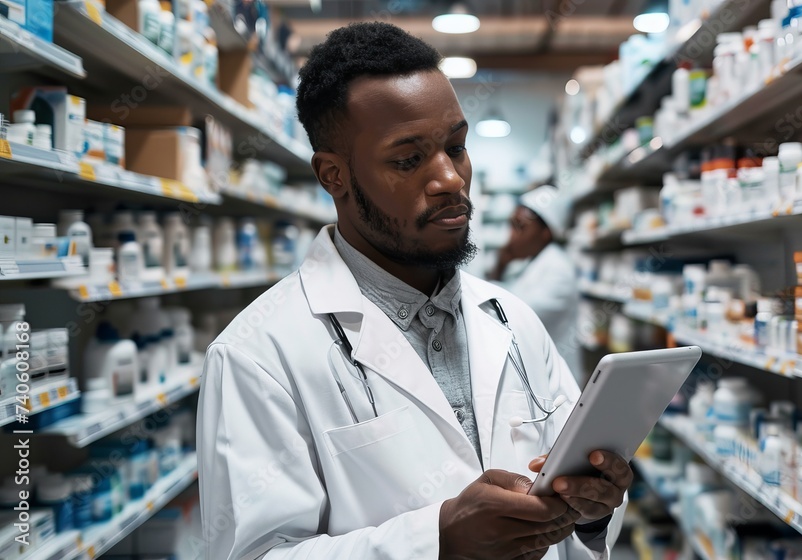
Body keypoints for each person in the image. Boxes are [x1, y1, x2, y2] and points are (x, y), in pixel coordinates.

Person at [196, 22, 629, 560]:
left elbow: (574, 502)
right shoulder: (259, 355)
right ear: (334, 176)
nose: (450, 179)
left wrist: (594, 510)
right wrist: (438, 541)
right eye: (408, 159)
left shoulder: (512, 320)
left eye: (457, 147)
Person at [489, 185, 582, 384]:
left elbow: (510, 317)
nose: (511, 237)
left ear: (545, 232)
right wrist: (501, 265)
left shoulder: (558, 269)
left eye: (520, 227)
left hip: (557, 383)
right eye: (511, 225)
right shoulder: (533, 262)